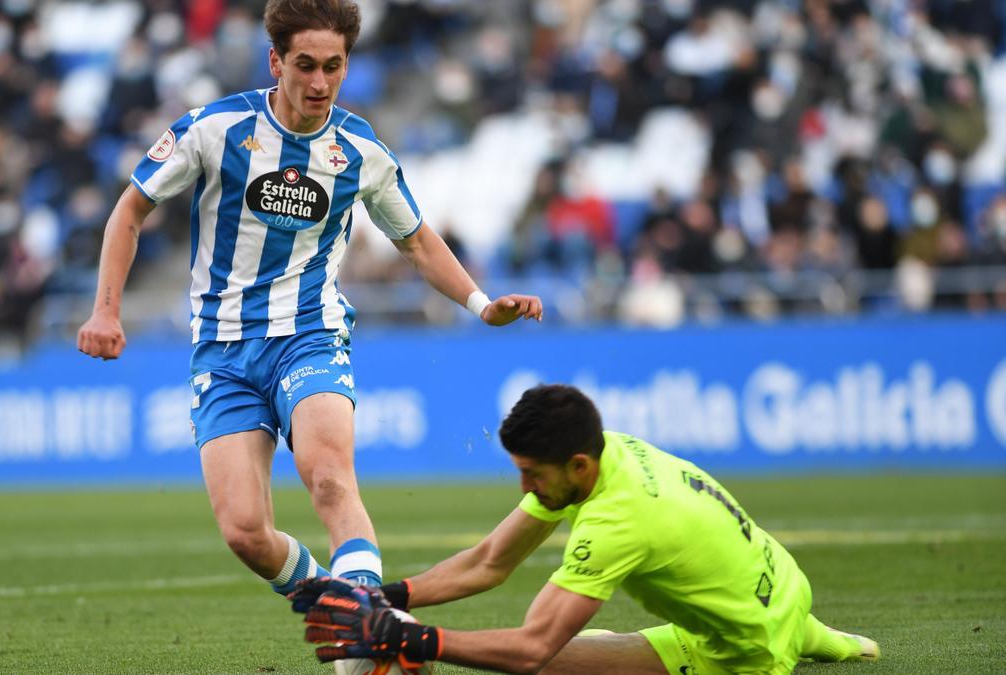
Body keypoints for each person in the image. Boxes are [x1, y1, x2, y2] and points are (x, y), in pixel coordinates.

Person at [76, 0, 541, 599]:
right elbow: (129, 211)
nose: (320, 82)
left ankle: (366, 632)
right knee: (246, 533)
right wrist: (106, 309)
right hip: (222, 352)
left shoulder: (360, 150)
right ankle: (339, 602)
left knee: (329, 480)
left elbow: (419, 243)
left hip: (309, 335)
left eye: (333, 66)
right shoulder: (214, 130)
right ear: (275, 61)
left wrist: (481, 304)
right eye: (305, 65)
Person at [293, 384, 880, 674]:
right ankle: (837, 642)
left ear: (577, 466)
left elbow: (530, 651)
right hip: (783, 586)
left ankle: (811, 642)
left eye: (532, 475)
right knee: (805, 630)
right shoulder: (609, 453)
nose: (525, 488)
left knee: (555, 665)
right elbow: (490, 562)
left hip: (741, 650)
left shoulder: (618, 520)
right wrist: (385, 596)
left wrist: (418, 641)